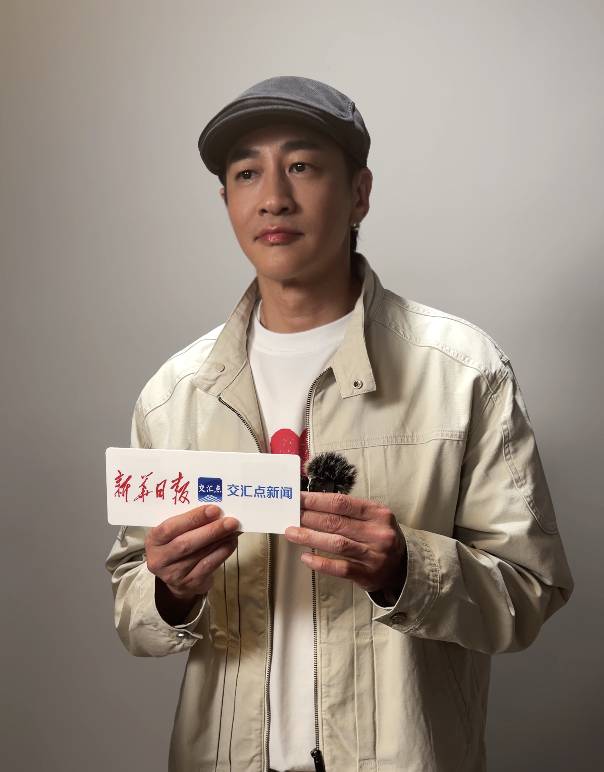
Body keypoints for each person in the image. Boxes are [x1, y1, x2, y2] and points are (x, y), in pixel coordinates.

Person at [104, 76, 574, 772]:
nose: (273, 197)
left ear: (359, 193)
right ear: (226, 201)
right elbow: (132, 609)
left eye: (301, 166)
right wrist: (169, 591)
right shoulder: (176, 394)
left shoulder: (463, 369)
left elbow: (529, 592)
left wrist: (406, 568)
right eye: (246, 173)